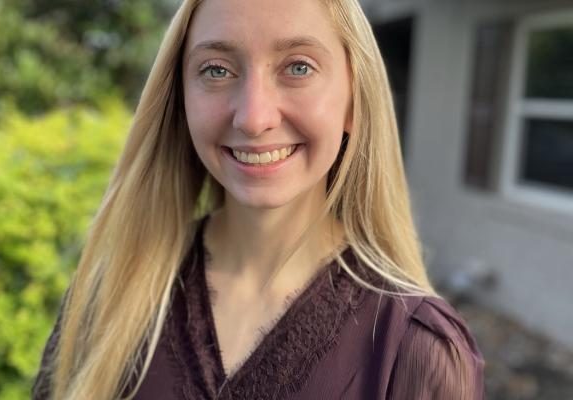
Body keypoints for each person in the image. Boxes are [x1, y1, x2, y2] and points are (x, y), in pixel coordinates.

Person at [32, 0, 486, 399]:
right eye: (216, 70)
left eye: (298, 67)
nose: (253, 117)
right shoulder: (109, 294)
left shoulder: (416, 347)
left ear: (353, 99)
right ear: (181, 98)